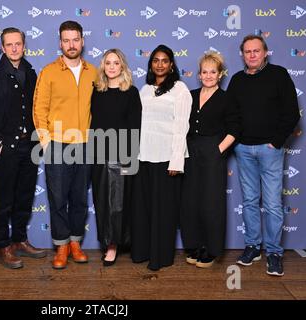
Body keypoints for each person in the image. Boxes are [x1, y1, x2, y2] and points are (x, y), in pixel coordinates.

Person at [227, 35, 300, 276]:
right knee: (249, 201)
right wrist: (236, 142)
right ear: (242, 55)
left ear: (265, 52)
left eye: (256, 51)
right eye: (247, 51)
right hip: (244, 149)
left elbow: (291, 113)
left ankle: (274, 252)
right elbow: (232, 115)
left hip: (270, 150)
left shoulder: (279, 75)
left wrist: (276, 142)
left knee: (271, 204)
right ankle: (252, 247)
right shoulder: (237, 80)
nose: (252, 55)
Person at [0, 27, 46, 269]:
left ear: (24, 46)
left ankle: (19, 239)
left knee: (25, 197)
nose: (14, 48)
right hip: (7, 148)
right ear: (2, 48)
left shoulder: (32, 73)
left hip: (30, 146)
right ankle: (2, 245)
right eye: (10, 44)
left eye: (18, 44)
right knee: (5, 199)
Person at [33, 20, 97, 269]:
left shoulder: (94, 71)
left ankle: (75, 243)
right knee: (58, 198)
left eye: (76, 39)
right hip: (58, 144)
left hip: (85, 144)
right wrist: (47, 142)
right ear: (60, 43)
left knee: (80, 198)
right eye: (66, 40)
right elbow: (39, 109)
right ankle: (61, 245)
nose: (71, 44)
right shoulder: (48, 72)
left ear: (82, 40)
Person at [131, 44, 192, 271]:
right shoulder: (144, 89)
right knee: (144, 209)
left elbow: (181, 126)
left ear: (171, 64)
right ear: (150, 64)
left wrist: (177, 159)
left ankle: (161, 256)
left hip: (167, 158)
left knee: (163, 211)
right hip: (144, 156)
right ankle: (142, 252)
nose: (159, 64)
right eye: (155, 60)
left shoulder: (180, 89)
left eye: (164, 60)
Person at [180, 52, 239, 268]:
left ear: (220, 74)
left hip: (213, 151)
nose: (208, 75)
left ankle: (211, 249)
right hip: (190, 151)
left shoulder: (226, 98)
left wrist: (218, 150)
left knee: (211, 202)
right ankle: (194, 245)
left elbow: (235, 129)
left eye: (212, 72)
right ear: (199, 74)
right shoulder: (190, 95)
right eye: (204, 72)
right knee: (190, 200)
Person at [90, 49, 141, 266]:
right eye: (108, 63)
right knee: (102, 202)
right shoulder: (97, 90)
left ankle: (114, 245)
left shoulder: (130, 92)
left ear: (122, 66)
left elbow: (135, 126)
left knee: (118, 203)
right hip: (99, 153)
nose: (112, 67)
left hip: (122, 154)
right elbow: (94, 124)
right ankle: (109, 241)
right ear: (103, 66)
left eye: (116, 63)